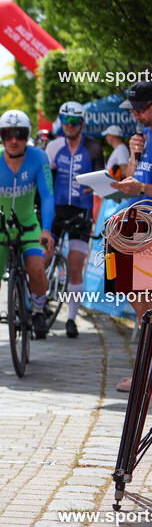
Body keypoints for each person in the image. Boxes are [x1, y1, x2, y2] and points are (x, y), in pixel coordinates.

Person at [0, 110, 54, 367]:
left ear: (27, 136)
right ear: (1, 136)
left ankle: (38, 311)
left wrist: (46, 230)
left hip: (29, 227)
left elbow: (48, 195)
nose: (14, 139)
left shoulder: (39, 158)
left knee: (37, 268)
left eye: (20, 134)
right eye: (8, 134)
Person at [45, 101, 105, 338]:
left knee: (76, 266)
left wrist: (97, 186)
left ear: (82, 123)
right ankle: (38, 311)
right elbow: (44, 180)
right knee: (43, 257)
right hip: (56, 212)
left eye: (74, 122)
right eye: (65, 121)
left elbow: (103, 180)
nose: (69, 126)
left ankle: (71, 319)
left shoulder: (93, 147)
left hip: (81, 213)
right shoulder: (52, 147)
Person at [109, 81, 152, 391]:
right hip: (138, 227)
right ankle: (145, 371)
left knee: (144, 300)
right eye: (134, 110)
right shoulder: (146, 135)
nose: (136, 115)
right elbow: (135, 179)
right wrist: (136, 155)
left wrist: (139, 189)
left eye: (141, 109)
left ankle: (145, 375)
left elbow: (142, 187)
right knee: (136, 296)